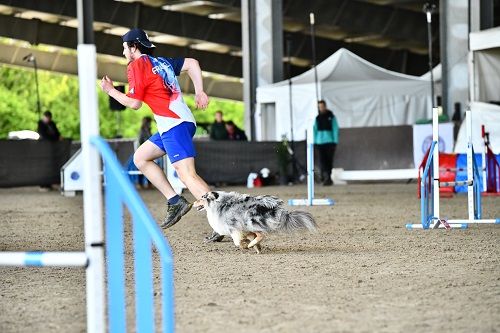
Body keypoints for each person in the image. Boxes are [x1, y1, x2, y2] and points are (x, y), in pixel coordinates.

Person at [99, 28, 223, 242]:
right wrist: (199, 91)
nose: (123, 52)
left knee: (187, 175)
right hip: (178, 123)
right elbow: (192, 63)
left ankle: (222, 221)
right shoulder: (162, 62)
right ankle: (175, 202)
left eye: (124, 48)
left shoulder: (136, 65)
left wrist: (110, 91)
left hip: (173, 125)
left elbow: (134, 104)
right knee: (140, 158)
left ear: (133, 47)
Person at [313, 100, 339, 186]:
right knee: (322, 160)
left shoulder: (331, 117)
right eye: (319, 107)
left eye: (322, 106)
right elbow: (315, 130)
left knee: (329, 160)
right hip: (320, 142)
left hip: (330, 142)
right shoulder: (317, 118)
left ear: (325, 106)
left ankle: (328, 177)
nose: (321, 108)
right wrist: (315, 141)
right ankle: (324, 176)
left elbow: (335, 129)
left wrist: (335, 141)